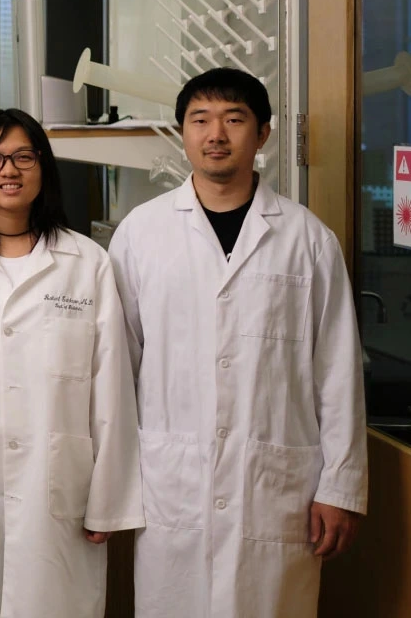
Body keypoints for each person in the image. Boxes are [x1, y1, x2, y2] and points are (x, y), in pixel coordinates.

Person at [108, 68, 368, 618]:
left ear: (264, 134)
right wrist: (111, 484)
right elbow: (118, 366)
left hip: (275, 490)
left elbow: (337, 372)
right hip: (171, 481)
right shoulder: (140, 234)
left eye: (234, 119)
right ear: (182, 133)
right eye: (200, 120)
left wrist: (340, 488)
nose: (216, 134)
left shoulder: (307, 240)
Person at [0, 109, 144, 618]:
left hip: (58, 487)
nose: (7, 170)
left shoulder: (88, 263)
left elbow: (111, 391)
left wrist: (108, 496)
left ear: (43, 167)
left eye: (22, 156)